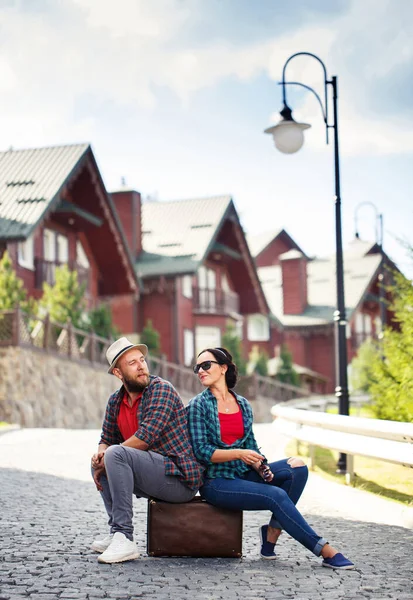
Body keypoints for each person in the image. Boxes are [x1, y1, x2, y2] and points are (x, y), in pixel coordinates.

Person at [187, 347, 354, 570]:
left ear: (223, 368)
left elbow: (251, 446)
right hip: (216, 482)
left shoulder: (243, 405)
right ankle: (324, 550)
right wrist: (239, 454)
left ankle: (271, 535)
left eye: (206, 365)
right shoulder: (199, 405)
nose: (200, 370)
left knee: (298, 468)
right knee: (275, 494)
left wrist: (260, 464)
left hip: (243, 474)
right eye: (197, 367)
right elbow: (202, 451)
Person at [91, 337, 203, 564]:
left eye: (142, 360)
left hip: (179, 478)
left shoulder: (161, 390)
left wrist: (108, 454)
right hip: (150, 473)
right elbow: (106, 438)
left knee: (114, 454)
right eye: (132, 363)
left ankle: (125, 536)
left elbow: (145, 438)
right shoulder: (115, 401)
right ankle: (116, 533)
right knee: (100, 458)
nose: (141, 366)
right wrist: (99, 455)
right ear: (118, 373)